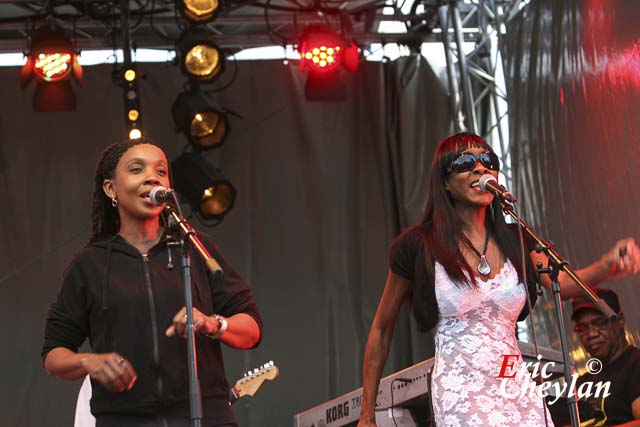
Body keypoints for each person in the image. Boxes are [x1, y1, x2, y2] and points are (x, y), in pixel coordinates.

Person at [357, 132, 640, 427]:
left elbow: (564, 283)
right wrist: (367, 416)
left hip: (514, 383)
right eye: (465, 162)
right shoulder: (419, 245)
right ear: (444, 182)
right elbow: (381, 327)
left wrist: (606, 265)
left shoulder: (516, 238)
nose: (480, 169)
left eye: (487, 161)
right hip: (462, 390)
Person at [42, 138, 262, 427]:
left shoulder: (194, 248)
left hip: (207, 418)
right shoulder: (90, 264)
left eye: (161, 171)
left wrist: (212, 324)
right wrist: (90, 362)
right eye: (136, 170)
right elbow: (54, 354)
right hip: (125, 420)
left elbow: (251, 330)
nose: (151, 177)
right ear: (111, 189)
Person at [570, 288, 640, 426]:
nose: (591, 334)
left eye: (599, 323)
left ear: (620, 320)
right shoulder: (581, 383)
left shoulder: (636, 365)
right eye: (582, 328)